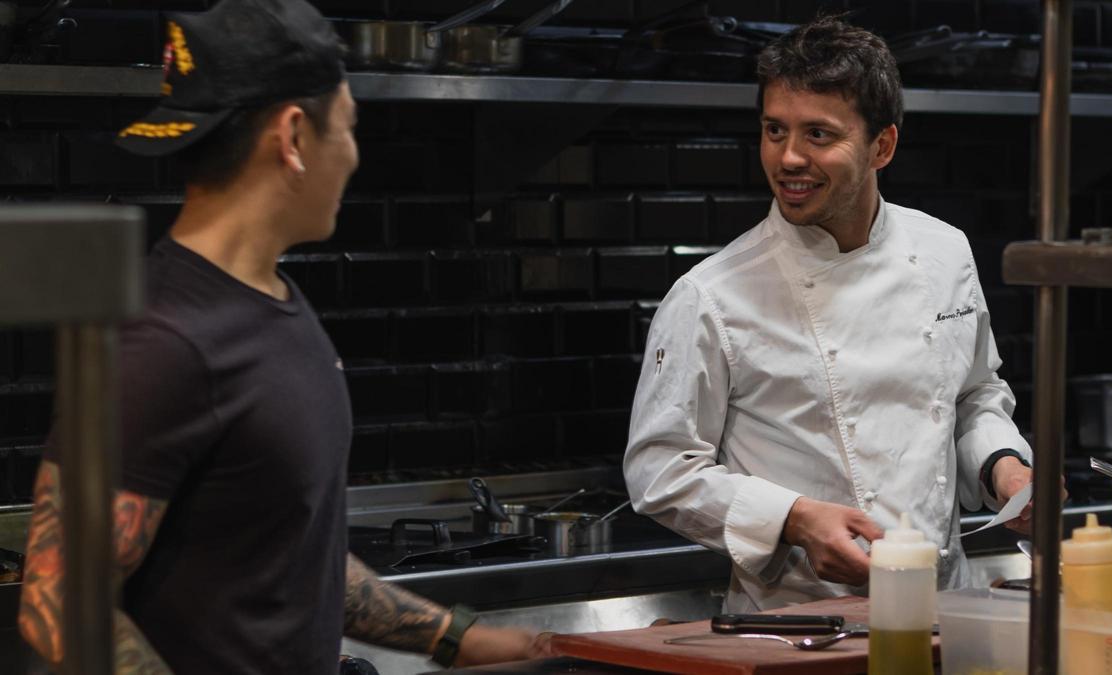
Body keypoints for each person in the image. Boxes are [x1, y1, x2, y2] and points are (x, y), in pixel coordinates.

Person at [17, 1, 551, 672]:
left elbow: (294, 548)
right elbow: (60, 600)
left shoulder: (279, 305)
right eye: (350, 128)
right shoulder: (160, 340)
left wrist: (452, 636)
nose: (355, 156)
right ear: (294, 136)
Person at [623, 16, 1040, 613]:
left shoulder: (945, 251)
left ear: (882, 146)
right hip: (796, 627)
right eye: (775, 130)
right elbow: (659, 470)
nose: (789, 157)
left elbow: (973, 395)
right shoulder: (710, 295)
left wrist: (1006, 469)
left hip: (946, 611)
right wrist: (793, 519)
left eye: (818, 134)